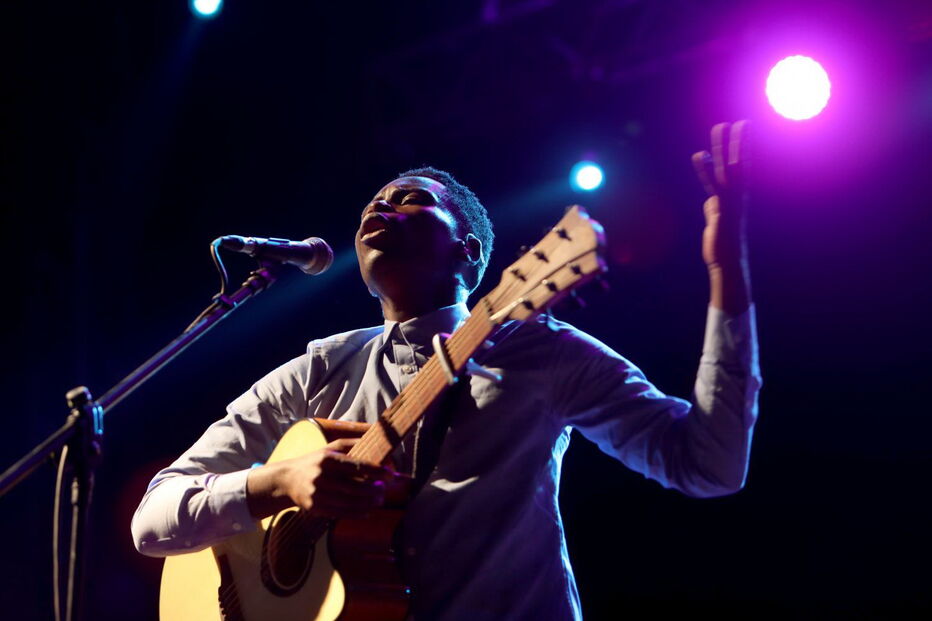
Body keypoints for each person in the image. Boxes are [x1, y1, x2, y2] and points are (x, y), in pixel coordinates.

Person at [132, 122, 760, 620]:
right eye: (376, 201)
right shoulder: (317, 371)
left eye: (411, 200)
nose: (382, 206)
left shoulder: (540, 350)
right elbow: (152, 518)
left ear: (469, 251)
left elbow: (706, 465)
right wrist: (278, 485)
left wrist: (725, 274)